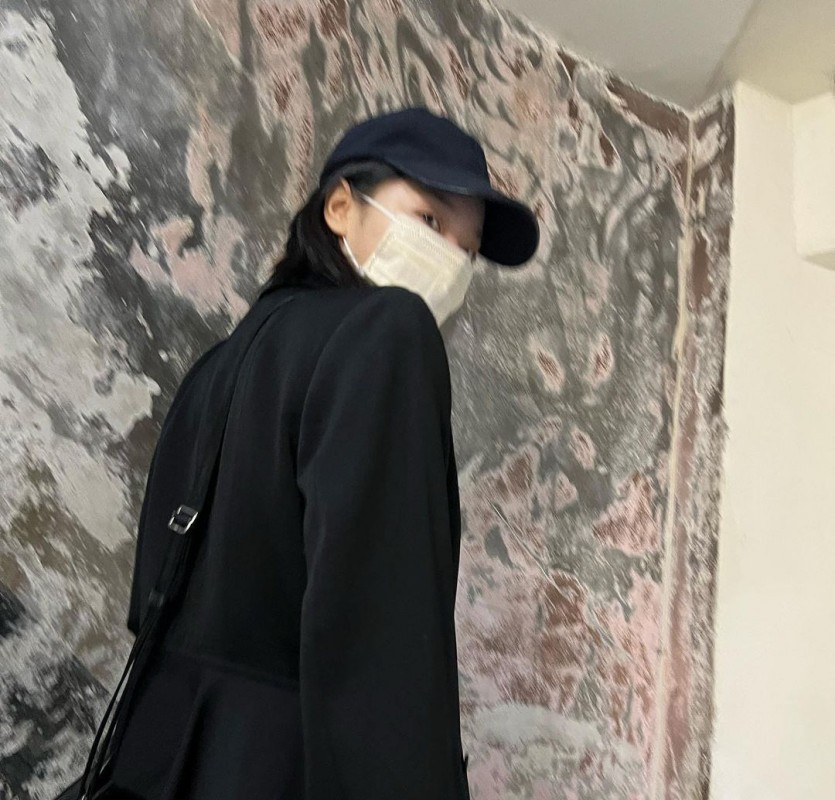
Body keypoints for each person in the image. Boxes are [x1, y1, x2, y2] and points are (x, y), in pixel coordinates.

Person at [106, 107, 539, 800]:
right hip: (281, 768)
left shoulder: (217, 367)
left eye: (468, 248)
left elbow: (153, 596)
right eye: (430, 220)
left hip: (157, 756)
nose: (452, 262)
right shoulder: (391, 331)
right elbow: (383, 651)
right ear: (340, 207)